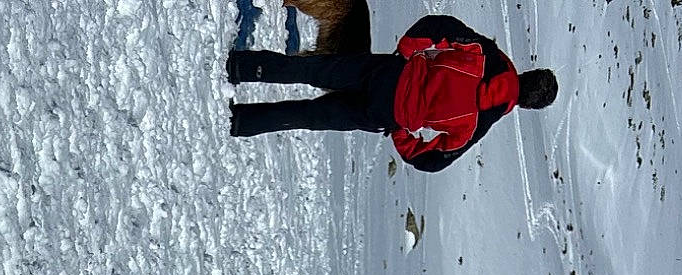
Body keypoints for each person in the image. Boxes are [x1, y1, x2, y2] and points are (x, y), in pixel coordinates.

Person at [227, 14, 557, 169]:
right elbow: (432, 161)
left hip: (387, 73)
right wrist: (401, 132)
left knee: (310, 70)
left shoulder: (487, 54)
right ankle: (240, 122)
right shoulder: (479, 124)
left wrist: (405, 53)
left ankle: (241, 67)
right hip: (384, 114)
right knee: (311, 116)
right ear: (526, 106)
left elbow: (439, 26)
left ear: (527, 73)